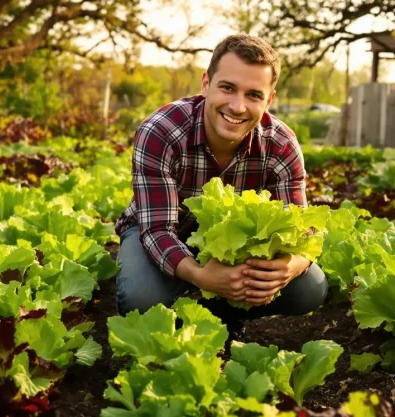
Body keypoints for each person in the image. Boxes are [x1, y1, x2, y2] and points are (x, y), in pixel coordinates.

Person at [114, 34, 328, 330]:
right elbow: (158, 229)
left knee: (310, 288)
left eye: (254, 95)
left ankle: (220, 312)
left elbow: (302, 230)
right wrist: (201, 275)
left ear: (269, 100)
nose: (237, 107)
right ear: (206, 84)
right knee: (142, 297)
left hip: (234, 247)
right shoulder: (161, 131)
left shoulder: (281, 144)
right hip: (162, 230)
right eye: (227, 88)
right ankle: (190, 303)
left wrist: (290, 266)